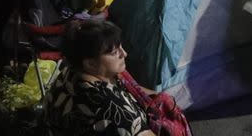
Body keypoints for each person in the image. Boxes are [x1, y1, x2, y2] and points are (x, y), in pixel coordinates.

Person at [45, 19, 184, 136]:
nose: (124, 53)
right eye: (114, 52)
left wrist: (159, 97)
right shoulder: (116, 113)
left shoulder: (69, 72)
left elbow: (134, 89)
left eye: (120, 47)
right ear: (90, 63)